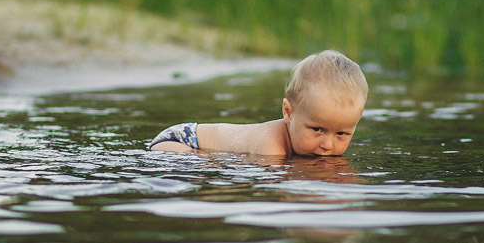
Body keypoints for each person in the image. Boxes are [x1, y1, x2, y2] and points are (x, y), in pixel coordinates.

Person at [148, 50, 368, 156]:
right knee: (196, 162)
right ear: (288, 113)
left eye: (341, 134)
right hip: (181, 139)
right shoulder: (271, 147)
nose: (328, 144)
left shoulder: (310, 143)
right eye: (317, 129)